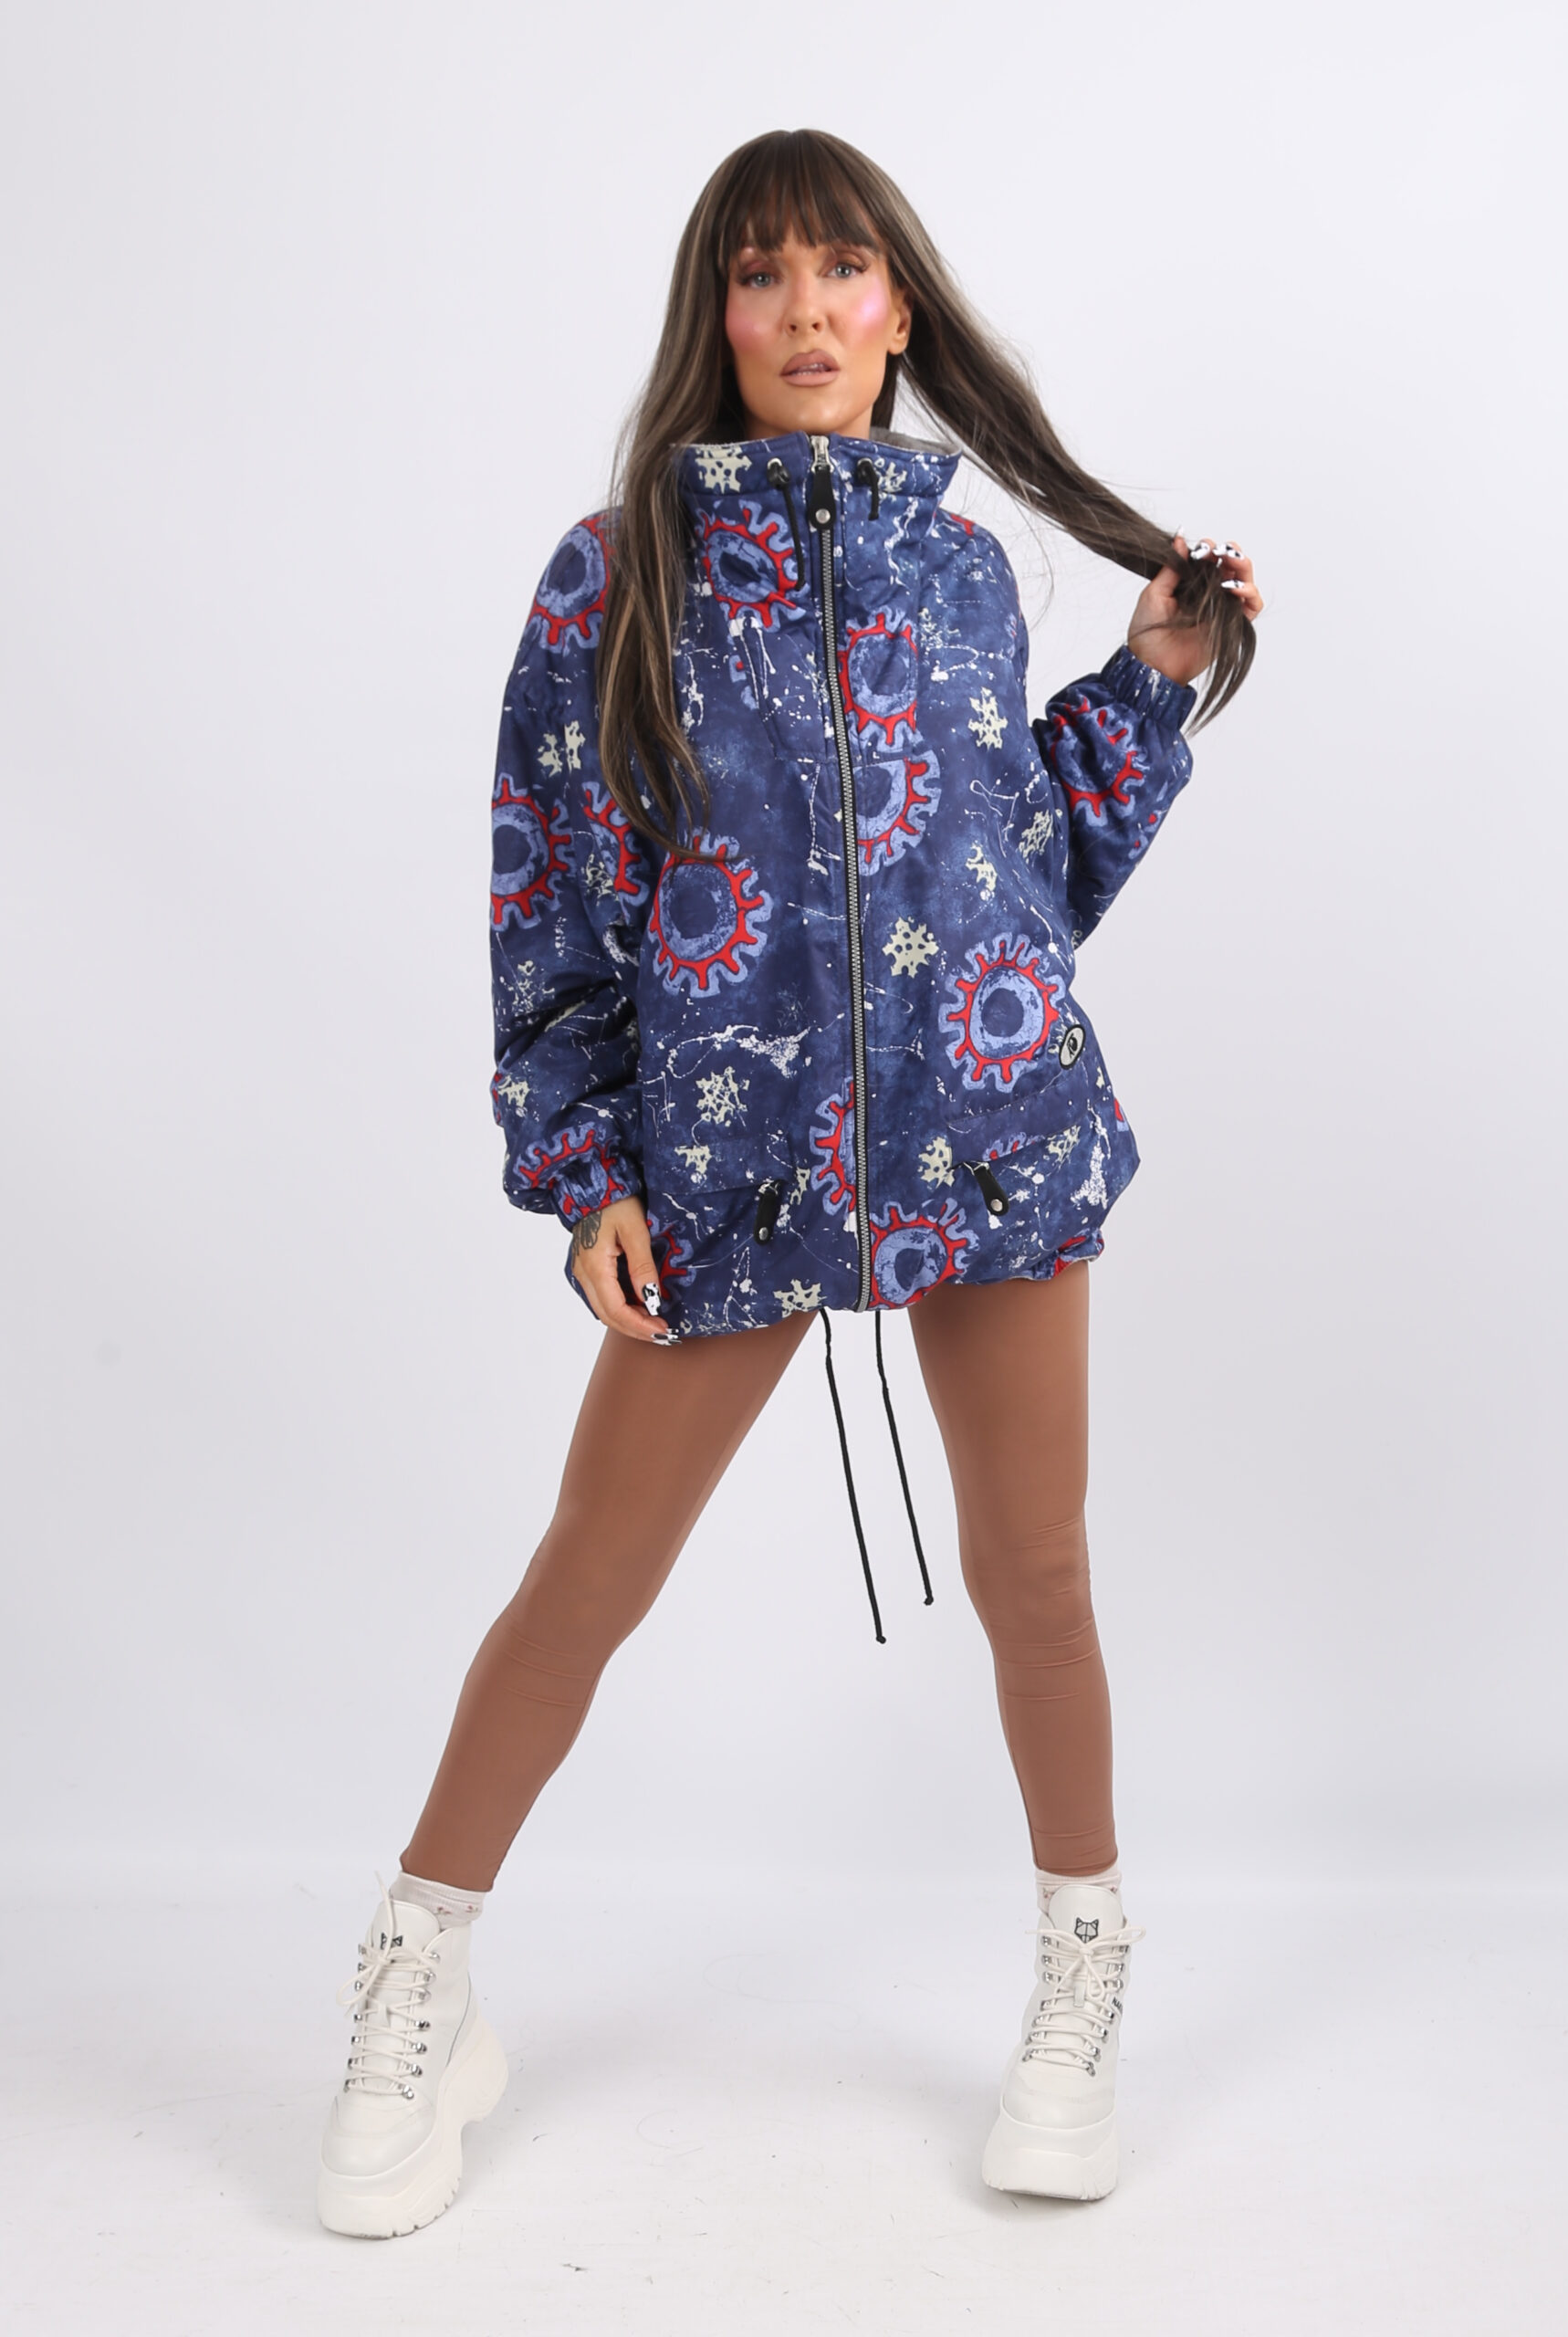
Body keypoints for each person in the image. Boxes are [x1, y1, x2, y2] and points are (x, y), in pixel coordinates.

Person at [316, 127, 1263, 2239]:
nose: (806, 310)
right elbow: (553, 889)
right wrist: (585, 1171)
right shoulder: (614, 576)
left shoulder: (963, 573)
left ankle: (1080, 1974)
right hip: (730, 1163)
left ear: (901, 306)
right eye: (761, 275)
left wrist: (1150, 683)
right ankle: (416, 1969)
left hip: (986, 1131)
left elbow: (1013, 881)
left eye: (842, 269)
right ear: (717, 315)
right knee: (589, 1574)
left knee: (1038, 1576)